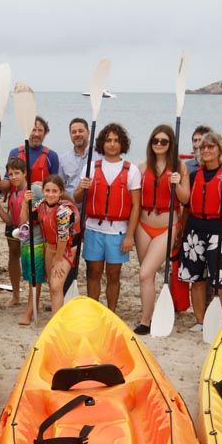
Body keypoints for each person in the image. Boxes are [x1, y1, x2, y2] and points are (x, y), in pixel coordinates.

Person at [175, 130, 222, 331]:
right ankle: (200, 321)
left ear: (219, 150)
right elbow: (187, 206)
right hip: (195, 231)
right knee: (196, 279)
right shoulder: (195, 175)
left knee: (221, 280)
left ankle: (217, 319)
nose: (206, 150)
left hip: (221, 231)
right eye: (203, 147)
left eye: (210, 147)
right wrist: (181, 232)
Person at [74, 123, 141, 314]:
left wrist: (129, 236)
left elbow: (136, 205)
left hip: (118, 231)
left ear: (122, 144)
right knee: (93, 273)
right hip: (94, 229)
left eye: (116, 140)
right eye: (108, 140)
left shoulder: (132, 170)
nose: (112, 144)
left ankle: (111, 312)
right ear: (102, 143)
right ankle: (93, 311)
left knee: (113, 274)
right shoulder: (91, 167)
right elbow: (78, 198)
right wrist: (81, 188)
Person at [134, 124, 186, 334]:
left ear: (170, 144)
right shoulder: (141, 166)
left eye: (164, 141)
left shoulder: (179, 168)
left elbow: (185, 199)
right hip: (143, 226)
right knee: (148, 274)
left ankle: (146, 321)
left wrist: (177, 184)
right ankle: (149, 312)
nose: (159, 144)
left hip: (166, 226)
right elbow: (135, 199)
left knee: (145, 273)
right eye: (155, 140)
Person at [35, 175, 80, 316]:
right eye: (47, 190)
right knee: (52, 283)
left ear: (61, 192)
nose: (50, 194)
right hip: (50, 247)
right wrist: (25, 202)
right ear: (42, 191)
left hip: (66, 249)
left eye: (54, 191)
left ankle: (56, 321)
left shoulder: (63, 211)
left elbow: (63, 237)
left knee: (55, 285)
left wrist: (59, 259)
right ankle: (57, 313)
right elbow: (25, 220)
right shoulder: (41, 204)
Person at [0, 156, 28, 307]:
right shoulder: (12, 193)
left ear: (25, 173)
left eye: (17, 173)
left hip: (30, 232)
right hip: (14, 229)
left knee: (29, 261)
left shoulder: (32, 190)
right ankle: (15, 295)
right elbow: (9, 221)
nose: (13, 177)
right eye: (11, 174)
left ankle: (34, 297)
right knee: (13, 256)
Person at [3, 115, 59, 188]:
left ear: (45, 133)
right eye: (33, 130)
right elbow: (7, 182)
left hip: (40, 198)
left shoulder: (52, 156)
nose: (36, 134)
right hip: (18, 198)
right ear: (27, 131)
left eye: (40, 130)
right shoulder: (14, 153)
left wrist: (44, 184)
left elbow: (55, 186)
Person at [59, 117, 92, 193]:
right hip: (71, 203)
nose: (77, 134)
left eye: (81, 131)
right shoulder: (63, 159)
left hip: (93, 202)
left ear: (88, 132)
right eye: (74, 132)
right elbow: (60, 187)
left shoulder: (100, 155)